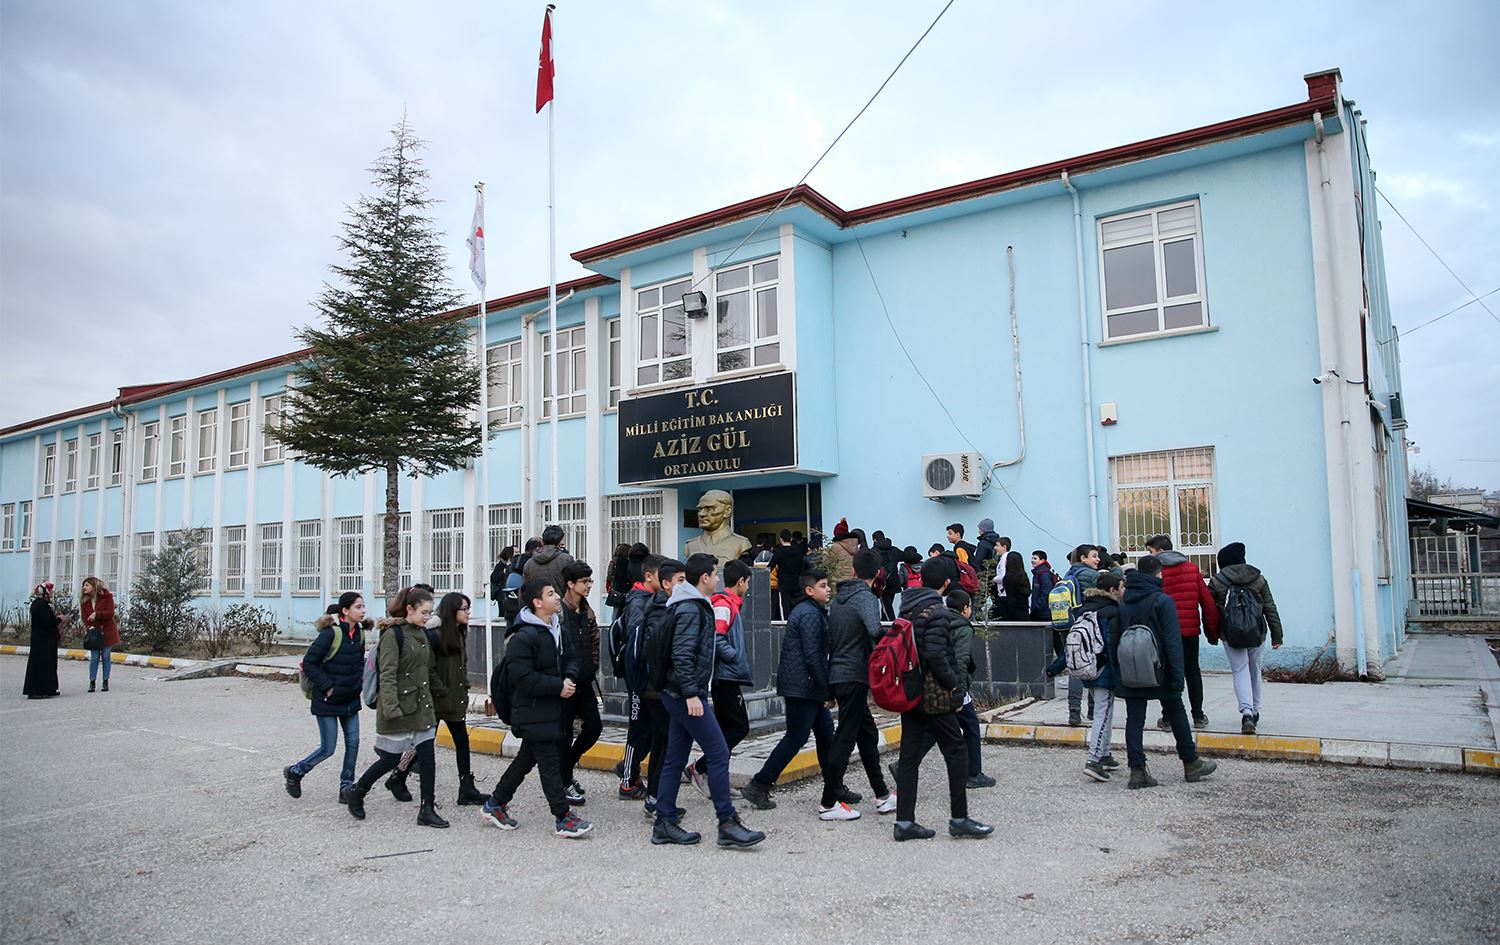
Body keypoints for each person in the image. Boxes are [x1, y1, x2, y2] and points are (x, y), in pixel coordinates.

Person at [647, 554, 766, 847]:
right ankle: (727, 823)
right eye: (714, 574)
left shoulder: (692, 604)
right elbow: (682, 654)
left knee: (675, 757)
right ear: (704, 578)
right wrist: (691, 694)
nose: (717, 579)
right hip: (684, 694)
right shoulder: (691, 608)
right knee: (718, 751)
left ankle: (664, 822)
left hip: (680, 692)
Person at [480, 577, 593, 838]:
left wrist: (569, 677)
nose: (557, 597)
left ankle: (495, 804)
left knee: (526, 759)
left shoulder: (556, 628)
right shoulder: (523, 636)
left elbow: (572, 658)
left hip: (551, 708)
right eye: (550, 593)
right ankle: (563, 817)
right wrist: (557, 687)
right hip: (532, 709)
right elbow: (521, 677)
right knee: (550, 764)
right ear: (537, 602)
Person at [892, 560, 993, 841]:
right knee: (956, 750)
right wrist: (955, 687)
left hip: (911, 689)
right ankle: (959, 819)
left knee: (909, 756)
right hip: (934, 693)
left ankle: (904, 822)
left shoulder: (908, 607)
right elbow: (936, 654)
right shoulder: (936, 611)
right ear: (947, 583)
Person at [344, 587, 449, 827]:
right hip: (400, 707)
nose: (428, 617)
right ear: (409, 609)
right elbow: (388, 674)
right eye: (424, 612)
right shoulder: (393, 635)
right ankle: (357, 791)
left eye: (430, 612)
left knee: (427, 757)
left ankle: (427, 809)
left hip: (422, 706)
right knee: (390, 759)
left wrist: (442, 690)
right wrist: (391, 708)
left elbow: (425, 669)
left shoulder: (421, 633)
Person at [740, 569, 843, 812]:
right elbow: (813, 655)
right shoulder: (808, 614)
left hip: (806, 685)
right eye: (823, 585)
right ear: (809, 590)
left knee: (826, 734)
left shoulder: (811, 610)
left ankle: (835, 787)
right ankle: (759, 784)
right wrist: (827, 688)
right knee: (796, 736)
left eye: (827, 585)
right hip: (803, 686)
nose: (828, 589)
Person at [1113, 555, 1218, 789]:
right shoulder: (1163, 601)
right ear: (1158, 574)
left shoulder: (1125, 602)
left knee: (1134, 719)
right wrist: (1177, 675)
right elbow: (1172, 641)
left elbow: (1116, 639)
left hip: (1132, 669)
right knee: (1177, 711)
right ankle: (1191, 762)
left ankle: (1137, 770)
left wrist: (1118, 671)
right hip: (1160, 669)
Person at [822, 549, 897, 820]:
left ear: (853, 570)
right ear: (877, 573)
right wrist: (895, 635)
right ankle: (828, 803)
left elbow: (831, 641)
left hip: (840, 674)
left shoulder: (838, 600)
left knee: (868, 734)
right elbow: (874, 630)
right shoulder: (866, 598)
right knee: (845, 738)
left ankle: (882, 795)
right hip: (854, 675)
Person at [284, 593, 369, 802]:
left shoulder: (359, 634)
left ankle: (346, 787)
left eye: (363, 606)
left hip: (350, 699)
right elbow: (309, 663)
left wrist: (357, 684)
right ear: (345, 611)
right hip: (327, 700)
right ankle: (295, 772)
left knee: (353, 745)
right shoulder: (331, 634)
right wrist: (328, 686)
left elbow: (359, 663)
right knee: (328, 748)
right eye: (358, 607)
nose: (363, 611)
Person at [687, 559, 754, 797]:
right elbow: (717, 637)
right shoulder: (724, 605)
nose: (748, 587)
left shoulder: (731, 603)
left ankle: (717, 780)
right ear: (741, 581)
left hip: (727, 675)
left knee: (728, 729)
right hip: (725, 676)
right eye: (748, 583)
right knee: (738, 728)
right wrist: (734, 656)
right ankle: (700, 768)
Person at [1145, 535, 1220, 730]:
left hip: (1165, 632)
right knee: (1192, 671)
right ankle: (1198, 715)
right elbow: (1208, 603)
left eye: (1151, 551)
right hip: (1190, 631)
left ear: (1161, 551)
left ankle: (1168, 717)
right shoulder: (1192, 569)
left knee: (1167, 672)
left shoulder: (1157, 572)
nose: (1150, 556)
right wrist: (1212, 633)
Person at [1208, 542, 1284, 735]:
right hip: (1257, 633)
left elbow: (1210, 612)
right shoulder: (1258, 579)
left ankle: (1247, 713)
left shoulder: (1218, 581)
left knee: (1240, 670)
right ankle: (1255, 711)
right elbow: (1270, 607)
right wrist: (1277, 635)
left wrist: (1212, 635)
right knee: (1254, 670)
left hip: (1229, 633)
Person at [427, 592, 489, 806]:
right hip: (436, 700)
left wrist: (463, 687)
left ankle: (466, 788)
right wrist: (443, 690)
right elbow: (428, 669)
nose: (468, 613)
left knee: (462, 742)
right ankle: (398, 774)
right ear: (452, 611)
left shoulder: (460, 632)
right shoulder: (434, 635)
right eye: (464, 608)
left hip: (454, 700)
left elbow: (461, 666)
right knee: (423, 745)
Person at [613, 553, 663, 800]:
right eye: (663, 576)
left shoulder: (652, 600)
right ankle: (627, 782)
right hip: (639, 678)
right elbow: (637, 643)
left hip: (650, 678)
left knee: (652, 729)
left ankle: (628, 767)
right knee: (638, 730)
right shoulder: (638, 603)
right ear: (649, 576)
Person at [639, 558, 685, 816]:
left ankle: (654, 796)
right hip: (657, 687)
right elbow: (658, 651)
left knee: (662, 740)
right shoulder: (660, 610)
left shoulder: (664, 606)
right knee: (668, 742)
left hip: (657, 686)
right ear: (666, 584)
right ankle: (659, 799)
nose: (685, 585)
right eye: (681, 581)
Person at [936, 589, 994, 788]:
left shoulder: (941, 622)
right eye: (970, 606)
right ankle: (973, 773)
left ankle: (903, 765)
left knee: (933, 728)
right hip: (955, 686)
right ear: (965, 609)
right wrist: (959, 692)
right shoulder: (963, 628)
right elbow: (960, 661)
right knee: (971, 727)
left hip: (938, 682)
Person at [557, 561, 603, 805]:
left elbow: (595, 641)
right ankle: (563, 780)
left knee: (594, 727)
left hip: (584, 682)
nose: (588, 586)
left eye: (589, 581)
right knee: (564, 734)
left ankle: (566, 767)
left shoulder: (587, 610)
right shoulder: (559, 612)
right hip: (565, 684)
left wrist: (593, 666)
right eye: (584, 581)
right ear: (570, 584)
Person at [1076, 573, 1124, 781]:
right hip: (1105, 669)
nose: (1123, 591)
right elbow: (1111, 645)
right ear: (1113, 590)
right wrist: (1118, 674)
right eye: (1121, 587)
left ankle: (1104, 754)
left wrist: (1055, 667)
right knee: (1102, 714)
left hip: (1088, 666)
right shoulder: (1112, 611)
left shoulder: (1085, 609)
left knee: (1104, 711)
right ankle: (1094, 760)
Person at [1051, 544, 1104, 726]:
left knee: (1075, 665)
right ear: (1083, 558)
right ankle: (1091, 710)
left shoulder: (1069, 574)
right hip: (1086, 625)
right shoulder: (1091, 575)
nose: (1097, 559)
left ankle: (1074, 712)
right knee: (1092, 664)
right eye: (1094, 556)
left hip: (1068, 624)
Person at [79, 576, 120, 692]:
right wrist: (89, 627)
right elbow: (84, 617)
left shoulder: (107, 597)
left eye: (87, 585)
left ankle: (105, 681)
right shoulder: (84, 601)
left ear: (94, 586)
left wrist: (97, 614)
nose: (84, 587)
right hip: (94, 633)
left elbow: (110, 613)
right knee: (95, 657)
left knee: (106, 656)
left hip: (107, 630)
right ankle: (92, 681)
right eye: (83, 585)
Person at [23, 583, 60, 699]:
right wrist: (59, 619)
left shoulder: (41, 604)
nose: (52, 594)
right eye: (50, 592)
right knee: (40, 665)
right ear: (44, 593)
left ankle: (49, 689)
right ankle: (36, 691)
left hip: (46, 641)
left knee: (48, 665)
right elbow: (47, 622)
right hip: (42, 641)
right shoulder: (40, 605)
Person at [523, 525, 576, 594]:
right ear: (560, 543)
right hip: (560, 600)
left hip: (536, 600)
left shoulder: (529, 563)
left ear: (542, 542)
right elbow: (573, 586)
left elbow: (524, 591)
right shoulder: (566, 560)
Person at [872, 530, 902, 620]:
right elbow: (906, 556)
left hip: (882, 583)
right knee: (886, 607)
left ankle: (893, 625)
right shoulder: (894, 550)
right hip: (894, 583)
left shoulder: (873, 552)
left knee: (887, 608)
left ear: (874, 540)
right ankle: (885, 624)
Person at [997, 551, 1031, 621]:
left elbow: (1011, 597)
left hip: (1012, 612)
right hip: (1023, 609)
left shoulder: (1008, 577)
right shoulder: (1023, 575)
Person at [825, 519, 859, 585]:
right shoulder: (855, 546)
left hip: (839, 580)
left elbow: (828, 564)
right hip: (853, 579)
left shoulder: (835, 547)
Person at [1029, 550, 1058, 620]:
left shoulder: (1044, 574)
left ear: (1042, 560)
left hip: (1043, 614)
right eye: (1032, 558)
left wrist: (1036, 608)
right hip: (1040, 612)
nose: (1032, 560)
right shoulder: (1038, 573)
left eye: (1035, 558)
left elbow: (1046, 593)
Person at [605, 543, 632, 613]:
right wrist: (618, 579)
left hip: (620, 590)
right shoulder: (614, 562)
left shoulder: (628, 562)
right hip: (618, 590)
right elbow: (609, 576)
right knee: (617, 610)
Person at [489, 546, 516, 615]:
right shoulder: (501, 565)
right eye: (516, 552)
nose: (518, 554)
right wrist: (503, 573)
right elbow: (493, 578)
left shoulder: (516, 564)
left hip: (513, 595)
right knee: (503, 614)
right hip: (502, 595)